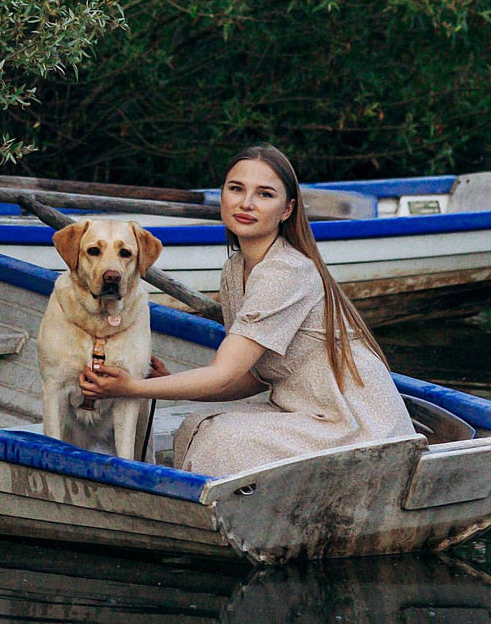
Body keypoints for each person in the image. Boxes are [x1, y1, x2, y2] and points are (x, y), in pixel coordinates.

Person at [77, 143, 414, 477]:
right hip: (304, 411)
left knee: (222, 441)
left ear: (286, 210)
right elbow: (254, 376)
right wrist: (168, 382)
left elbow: (224, 372)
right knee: (197, 425)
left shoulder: (286, 271)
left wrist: (131, 388)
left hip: (356, 424)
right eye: (236, 188)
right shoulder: (235, 269)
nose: (246, 203)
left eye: (265, 194)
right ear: (223, 194)